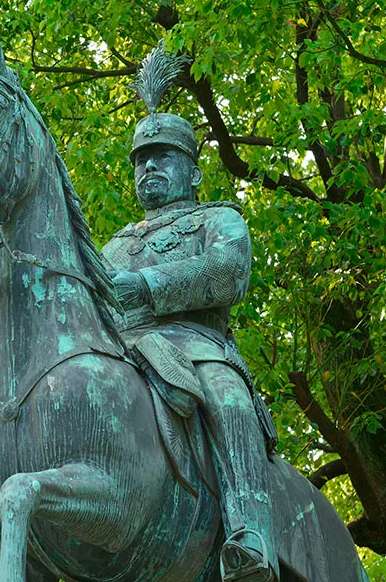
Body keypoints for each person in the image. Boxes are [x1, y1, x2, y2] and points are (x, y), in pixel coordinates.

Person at [101, 45, 279, 582]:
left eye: (163, 157)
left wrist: (147, 286)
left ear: (193, 172)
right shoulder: (112, 245)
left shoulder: (217, 218)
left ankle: (249, 531)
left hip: (198, 349)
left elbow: (229, 273)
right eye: (141, 159)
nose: (149, 166)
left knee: (228, 398)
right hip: (125, 357)